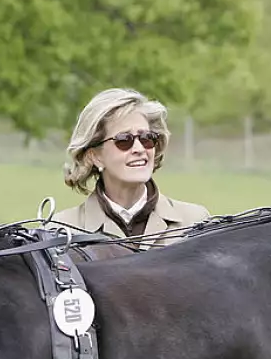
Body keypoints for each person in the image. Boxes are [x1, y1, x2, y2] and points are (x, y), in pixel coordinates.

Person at [54, 88, 210, 247]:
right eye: (124, 140)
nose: (139, 149)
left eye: (146, 138)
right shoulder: (61, 232)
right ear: (95, 156)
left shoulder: (195, 223)